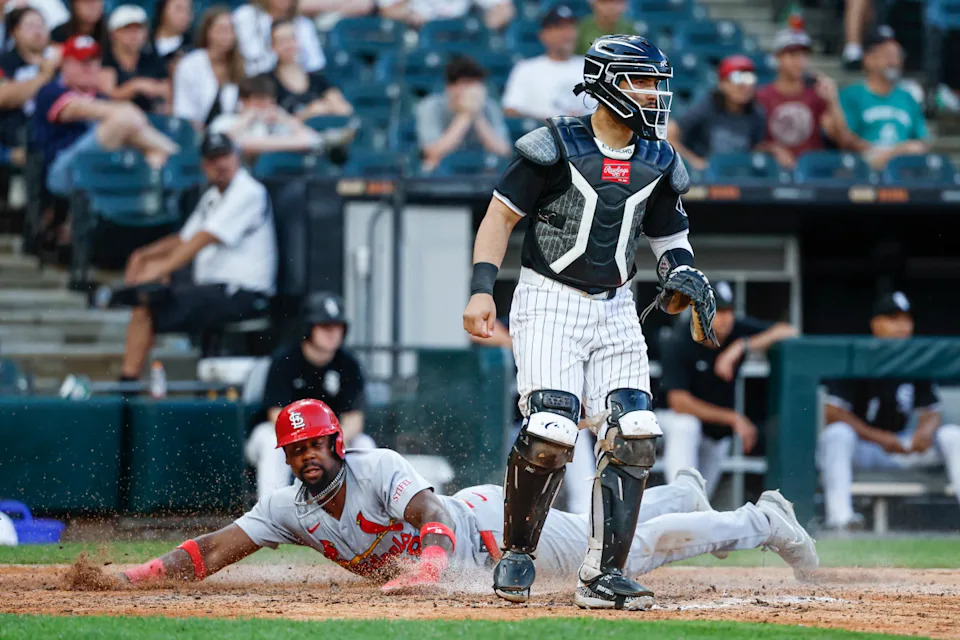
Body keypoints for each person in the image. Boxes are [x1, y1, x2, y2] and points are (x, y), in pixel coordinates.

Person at [462, 34, 720, 610]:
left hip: (619, 305)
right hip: (548, 298)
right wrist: (482, 290)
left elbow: (671, 242)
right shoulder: (554, 144)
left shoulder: (660, 159)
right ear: (605, 82)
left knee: (635, 433)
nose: (655, 95)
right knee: (552, 429)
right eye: (642, 81)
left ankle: (604, 575)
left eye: (656, 83)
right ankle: (518, 554)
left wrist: (681, 277)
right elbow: (498, 220)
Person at [119, 398, 818, 592]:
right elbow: (216, 548)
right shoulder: (288, 509)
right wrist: (141, 575)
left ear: (336, 442)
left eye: (314, 444)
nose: (305, 457)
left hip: (503, 540)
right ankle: (679, 494)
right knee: (595, 524)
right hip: (491, 539)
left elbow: (427, 518)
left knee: (624, 559)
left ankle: (761, 519)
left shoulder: (377, 466)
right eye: (294, 449)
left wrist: (425, 572)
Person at [118, 132, 276, 381]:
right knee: (148, 298)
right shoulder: (213, 197)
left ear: (236, 157)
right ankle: (130, 382)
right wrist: (143, 255)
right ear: (204, 166)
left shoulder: (248, 191)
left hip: (242, 292)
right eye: (213, 159)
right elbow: (184, 239)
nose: (221, 164)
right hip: (213, 289)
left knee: (149, 304)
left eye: (225, 156)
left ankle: (128, 385)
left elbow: (202, 239)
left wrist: (161, 270)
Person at [819, 291, 960, 530]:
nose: (902, 326)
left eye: (906, 319)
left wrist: (923, 433)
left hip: (904, 446)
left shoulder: (918, 359)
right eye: (893, 318)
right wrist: (881, 438)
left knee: (953, 435)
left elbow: (930, 411)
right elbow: (833, 413)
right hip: (866, 448)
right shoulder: (857, 355)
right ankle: (841, 519)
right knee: (836, 435)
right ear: (876, 324)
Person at [658, 281, 798, 496]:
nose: (726, 318)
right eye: (718, 311)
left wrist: (742, 346)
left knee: (701, 497)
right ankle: (678, 502)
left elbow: (789, 331)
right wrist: (733, 418)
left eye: (729, 311)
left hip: (715, 430)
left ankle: (688, 517)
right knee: (686, 426)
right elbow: (679, 402)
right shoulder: (679, 339)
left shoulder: (736, 331)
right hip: (668, 421)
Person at [246, 292, 372, 500]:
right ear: (308, 328)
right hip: (284, 434)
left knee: (365, 445)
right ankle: (269, 520)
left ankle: (365, 516)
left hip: (330, 436)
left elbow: (354, 420)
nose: (332, 333)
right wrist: (309, 442)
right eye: (324, 326)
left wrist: (330, 441)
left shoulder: (348, 364)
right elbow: (276, 416)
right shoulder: (285, 359)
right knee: (271, 442)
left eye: (337, 326)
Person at [30, 35, 178, 197]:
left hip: (103, 169)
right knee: (123, 119)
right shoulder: (51, 91)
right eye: (82, 62)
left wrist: (151, 152)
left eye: (94, 61)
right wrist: (127, 111)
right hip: (61, 173)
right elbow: (79, 109)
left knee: (152, 156)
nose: (89, 67)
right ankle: (178, 155)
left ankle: (170, 157)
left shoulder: (102, 98)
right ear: (65, 64)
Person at [756, 28, 854, 169]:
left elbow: (843, 140)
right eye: (792, 54)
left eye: (804, 55)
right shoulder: (762, 96)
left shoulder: (816, 95)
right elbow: (752, 144)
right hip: (775, 171)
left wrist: (832, 101)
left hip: (813, 171)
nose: (799, 61)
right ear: (778, 57)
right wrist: (773, 150)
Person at [839, 25, 929, 170]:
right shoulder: (851, 95)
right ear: (868, 59)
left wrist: (893, 153)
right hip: (863, 169)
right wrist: (875, 153)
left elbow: (922, 140)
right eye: (887, 55)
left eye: (897, 55)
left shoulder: (908, 97)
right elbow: (845, 139)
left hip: (904, 171)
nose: (894, 62)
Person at [667, 55, 767, 171]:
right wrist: (694, 161)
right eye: (737, 78)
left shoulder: (756, 114)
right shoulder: (707, 106)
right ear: (722, 84)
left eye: (749, 78)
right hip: (705, 180)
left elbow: (755, 149)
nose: (744, 86)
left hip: (738, 176)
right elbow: (670, 135)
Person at [416, 55, 510, 173]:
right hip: (442, 174)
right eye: (467, 83)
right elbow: (432, 153)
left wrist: (477, 115)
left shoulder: (489, 106)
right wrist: (465, 115)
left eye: (477, 84)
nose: (474, 90)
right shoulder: (431, 106)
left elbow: (503, 151)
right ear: (450, 87)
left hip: (482, 173)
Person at [502, 4, 595, 121]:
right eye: (560, 27)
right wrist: (548, 122)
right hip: (544, 136)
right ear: (544, 35)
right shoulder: (526, 69)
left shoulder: (592, 66)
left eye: (571, 27)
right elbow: (511, 110)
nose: (568, 34)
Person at [208, 73, 322, 159]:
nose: (265, 109)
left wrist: (284, 119)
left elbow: (314, 140)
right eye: (259, 104)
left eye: (270, 104)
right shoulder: (225, 121)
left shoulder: (278, 122)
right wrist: (247, 119)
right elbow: (224, 144)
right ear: (243, 102)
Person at [0, 7, 59, 161]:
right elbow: (3, 97)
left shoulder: (60, 60)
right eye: (30, 26)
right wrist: (44, 76)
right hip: (16, 140)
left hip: (54, 138)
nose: (38, 32)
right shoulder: (5, 62)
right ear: (14, 32)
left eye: (41, 25)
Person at [172, 6, 244, 127]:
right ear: (208, 32)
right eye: (222, 29)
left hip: (232, 132)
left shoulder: (241, 64)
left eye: (231, 30)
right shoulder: (190, 64)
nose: (228, 35)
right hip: (195, 132)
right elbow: (183, 111)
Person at [269, 19, 351, 119]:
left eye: (292, 38)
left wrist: (326, 107)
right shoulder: (266, 82)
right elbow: (268, 118)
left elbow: (345, 109)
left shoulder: (317, 79)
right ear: (272, 45)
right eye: (282, 40)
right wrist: (309, 112)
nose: (288, 45)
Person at [99, 5, 169, 113]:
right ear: (113, 33)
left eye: (138, 29)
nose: (134, 35)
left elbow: (167, 88)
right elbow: (108, 96)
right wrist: (136, 86)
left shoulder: (151, 56)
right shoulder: (106, 59)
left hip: (151, 116)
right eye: (128, 30)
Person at [232, 0, 324, 77]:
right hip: (254, 84)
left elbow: (314, 65)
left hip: (295, 84)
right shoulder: (245, 16)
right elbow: (247, 56)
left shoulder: (304, 24)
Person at [377, 0, 514, 31]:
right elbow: (386, 11)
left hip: (461, 35)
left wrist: (483, 29)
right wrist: (408, 14)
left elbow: (505, 9)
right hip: (419, 33)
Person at [149, 0, 193, 70]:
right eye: (179, 9)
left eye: (188, 10)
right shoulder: (143, 43)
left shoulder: (193, 49)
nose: (184, 15)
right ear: (163, 9)